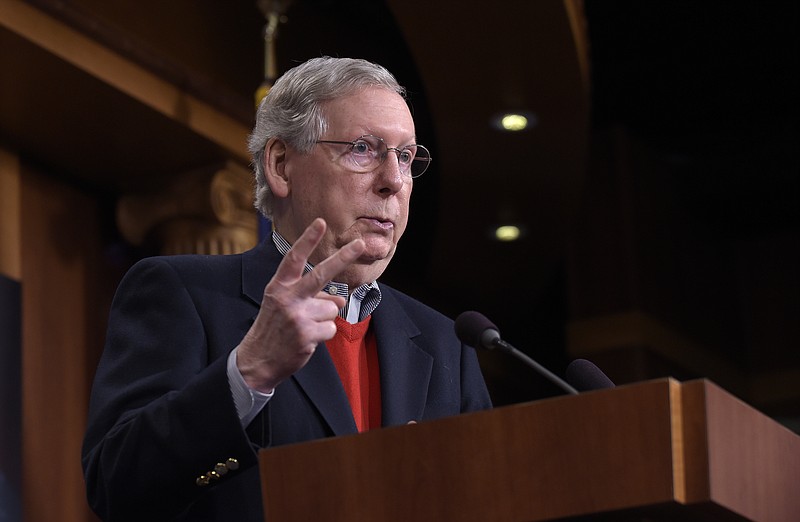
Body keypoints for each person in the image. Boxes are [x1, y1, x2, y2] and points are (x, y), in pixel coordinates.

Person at [81, 56, 492, 521]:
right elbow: (116, 486)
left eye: (405, 156)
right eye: (363, 148)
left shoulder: (447, 344)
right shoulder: (185, 295)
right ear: (281, 165)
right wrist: (247, 375)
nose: (394, 181)